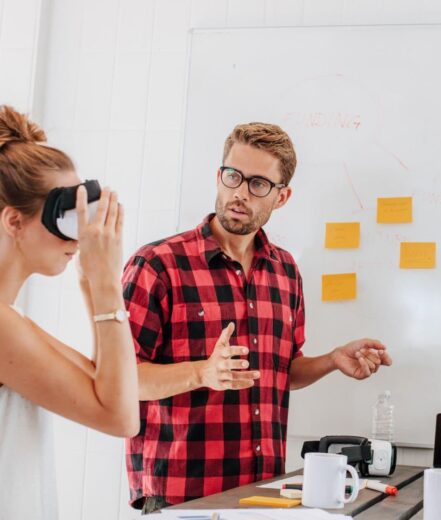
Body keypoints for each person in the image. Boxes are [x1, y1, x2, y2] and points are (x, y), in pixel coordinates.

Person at [123, 121, 392, 512]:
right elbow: (120, 379)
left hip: (264, 495)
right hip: (181, 498)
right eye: (233, 176)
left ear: (281, 197)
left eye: (258, 184)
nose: (240, 193)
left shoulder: (285, 271)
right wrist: (202, 372)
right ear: (219, 176)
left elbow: (281, 372)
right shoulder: (157, 265)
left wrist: (331, 360)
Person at [0, 105, 139, 518]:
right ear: (14, 221)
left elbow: (106, 385)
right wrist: (105, 283)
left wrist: (91, 284)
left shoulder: (12, 320)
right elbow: (120, 417)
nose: (78, 238)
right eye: (65, 218)